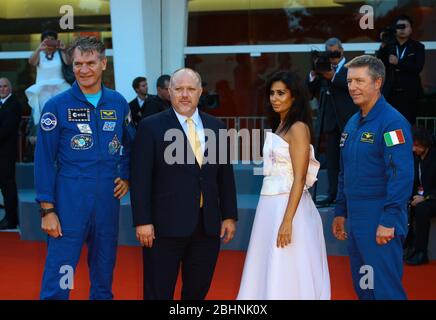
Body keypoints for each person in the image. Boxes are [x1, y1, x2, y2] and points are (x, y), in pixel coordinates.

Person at [34, 36, 133, 300]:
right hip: (69, 201)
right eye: (78, 63)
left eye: (90, 63)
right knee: (62, 272)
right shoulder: (57, 106)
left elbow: (129, 144)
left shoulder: (118, 103)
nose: (83, 69)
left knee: (103, 270)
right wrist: (47, 209)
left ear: (103, 63)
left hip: (107, 201)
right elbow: (43, 159)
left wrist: (126, 175)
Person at [130, 68, 237, 300]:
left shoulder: (217, 127)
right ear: (169, 92)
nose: (185, 95)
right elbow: (140, 179)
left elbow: (224, 176)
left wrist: (229, 215)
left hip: (206, 227)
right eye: (179, 89)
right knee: (158, 292)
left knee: (197, 292)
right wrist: (142, 221)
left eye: (190, 89)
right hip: (162, 228)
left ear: (200, 92)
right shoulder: (150, 126)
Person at [237, 71, 330, 300]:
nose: (274, 98)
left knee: (287, 262)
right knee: (268, 260)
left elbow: (299, 178)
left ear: (295, 96)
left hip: (288, 206)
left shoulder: (298, 128)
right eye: (271, 93)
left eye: (281, 93)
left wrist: (287, 220)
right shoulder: (280, 125)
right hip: (269, 204)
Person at [332, 55, 414, 300]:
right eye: (349, 81)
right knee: (364, 287)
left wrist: (388, 219)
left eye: (359, 81)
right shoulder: (352, 122)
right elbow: (345, 172)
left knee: (385, 289)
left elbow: (401, 175)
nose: (352, 87)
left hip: (380, 216)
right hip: (355, 218)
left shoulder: (392, 123)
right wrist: (340, 210)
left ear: (378, 82)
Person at [308, 38, 358, 207]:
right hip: (330, 120)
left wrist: (333, 76)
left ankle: (348, 195)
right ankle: (333, 194)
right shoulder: (323, 68)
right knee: (332, 161)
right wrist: (314, 74)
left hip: (347, 120)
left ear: (342, 50)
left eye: (336, 52)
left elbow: (351, 85)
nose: (334, 56)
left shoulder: (351, 66)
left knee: (349, 159)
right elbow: (310, 92)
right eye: (330, 53)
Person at [376, 14, 425, 125]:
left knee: (407, 124)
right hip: (390, 93)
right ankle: (393, 143)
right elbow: (378, 64)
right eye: (399, 27)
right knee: (390, 124)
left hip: (410, 94)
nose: (402, 30)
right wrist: (383, 43)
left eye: (405, 26)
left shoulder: (418, 47)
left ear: (411, 29)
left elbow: (418, 67)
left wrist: (399, 62)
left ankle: (406, 143)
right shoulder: (388, 45)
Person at [404, 127, 436, 265]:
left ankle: (422, 252)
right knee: (406, 203)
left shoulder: (434, 158)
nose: (413, 149)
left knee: (422, 209)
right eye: (412, 145)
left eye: (416, 145)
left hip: (433, 197)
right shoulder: (416, 159)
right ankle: (410, 245)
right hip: (422, 196)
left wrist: (425, 197)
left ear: (425, 143)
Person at [26, 30, 71, 126]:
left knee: (62, 114)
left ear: (56, 41)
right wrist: (39, 49)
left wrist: (63, 49)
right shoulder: (40, 54)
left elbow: (68, 62)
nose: (50, 42)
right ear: (42, 41)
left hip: (60, 88)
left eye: (52, 40)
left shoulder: (60, 53)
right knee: (45, 116)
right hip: (43, 90)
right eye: (47, 40)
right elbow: (32, 62)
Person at [0, 78, 22, 230]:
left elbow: (7, 130)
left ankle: (11, 219)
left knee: (7, 185)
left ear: (10, 89)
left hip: (6, 153)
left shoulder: (14, 104)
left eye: (5, 86)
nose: (2, 89)